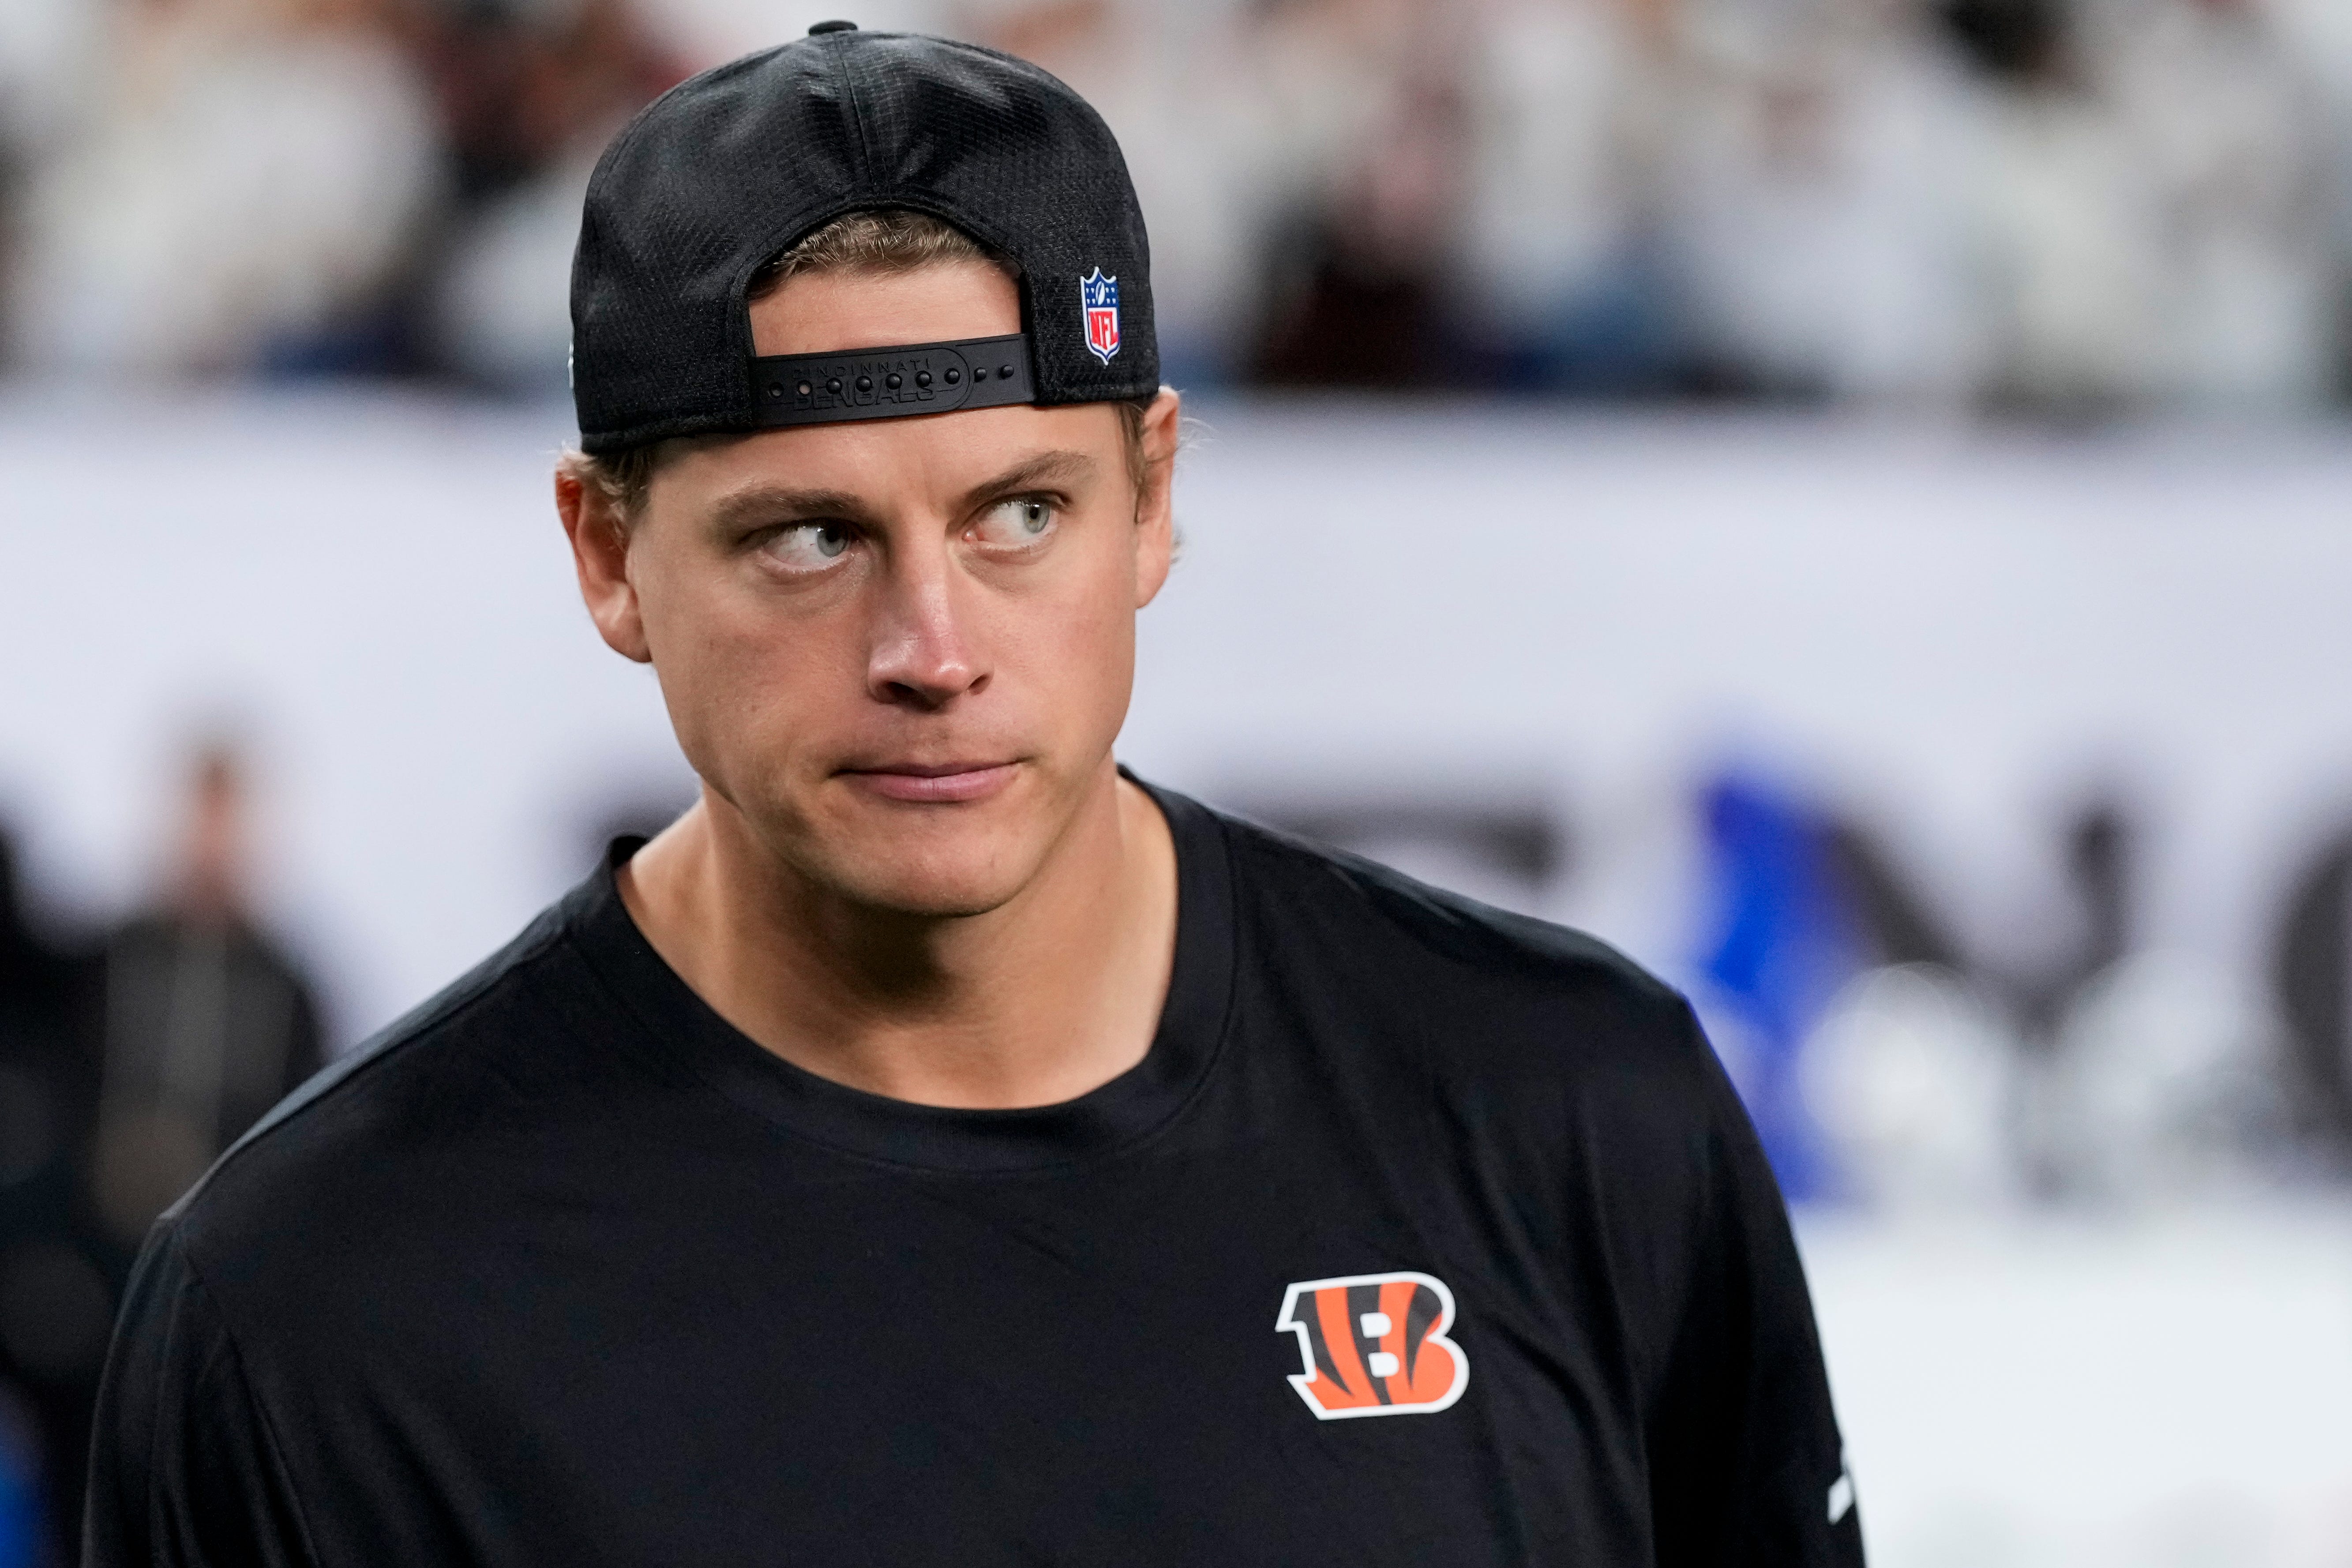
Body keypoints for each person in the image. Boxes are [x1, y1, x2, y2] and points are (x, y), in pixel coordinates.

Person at [86, 23, 1863, 1565]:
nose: (932, 646)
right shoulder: (313, 1308)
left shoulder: (1572, 1116)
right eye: (807, 536)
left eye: (1020, 514)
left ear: (1152, 494)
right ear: (608, 554)